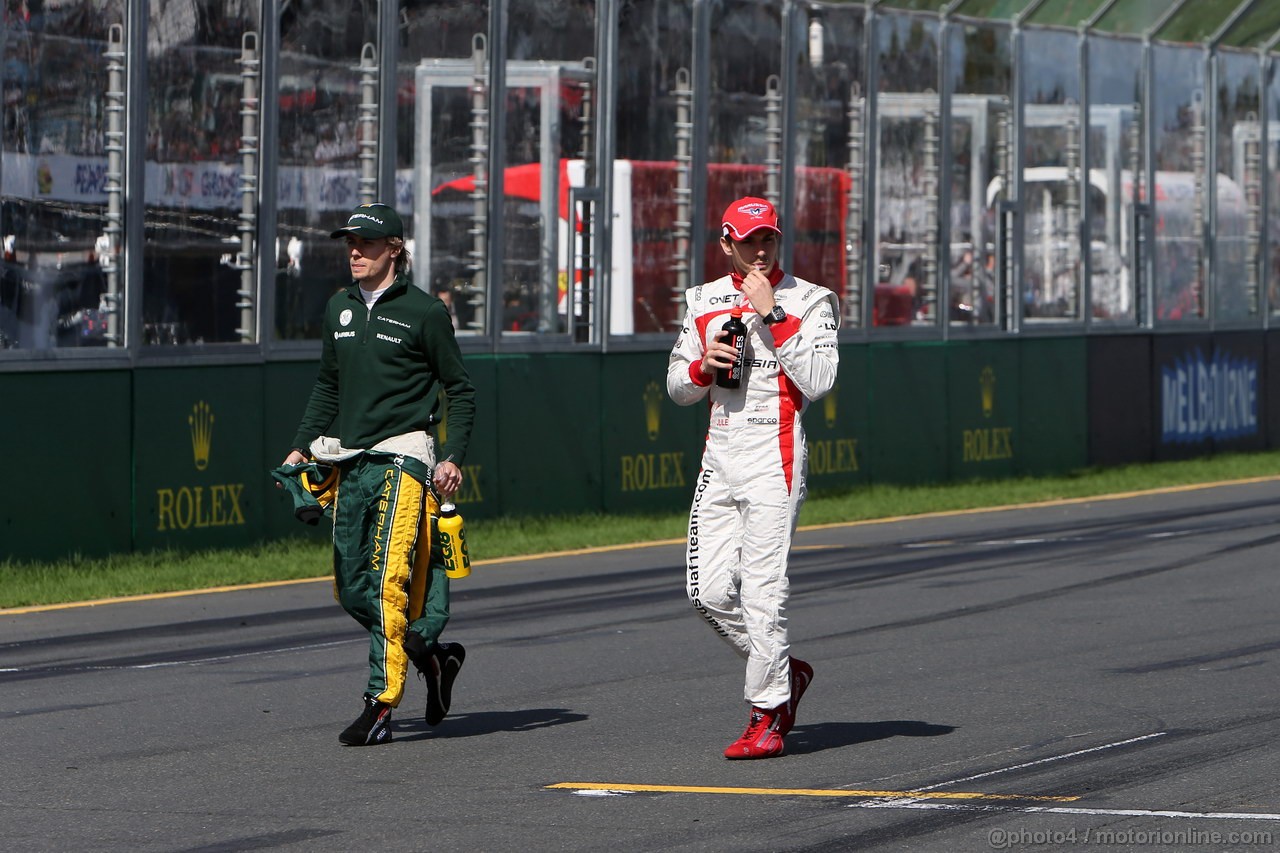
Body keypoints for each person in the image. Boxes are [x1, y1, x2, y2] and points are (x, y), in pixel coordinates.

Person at [280, 202, 477, 746]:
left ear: (395, 248)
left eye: (365, 243)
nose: (354, 252)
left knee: (388, 580)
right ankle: (431, 658)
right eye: (349, 243)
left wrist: (453, 455)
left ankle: (380, 704)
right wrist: (301, 448)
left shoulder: (424, 312)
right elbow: (327, 386)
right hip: (351, 458)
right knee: (350, 587)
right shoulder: (337, 308)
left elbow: (458, 388)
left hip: (406, 457)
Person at [666, 196, 840, 759]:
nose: (760, 251)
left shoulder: (811, 300)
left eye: (769, 239)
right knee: (708, 593)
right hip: (719, 455)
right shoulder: (701, 300)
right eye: (748, 241)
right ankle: (786, 673)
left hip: (776, 453)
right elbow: (676, 387)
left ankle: (766, 713)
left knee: (765, 594)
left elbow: (819, 380)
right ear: (726, 245)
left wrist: (772, 313)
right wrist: (701, 366)